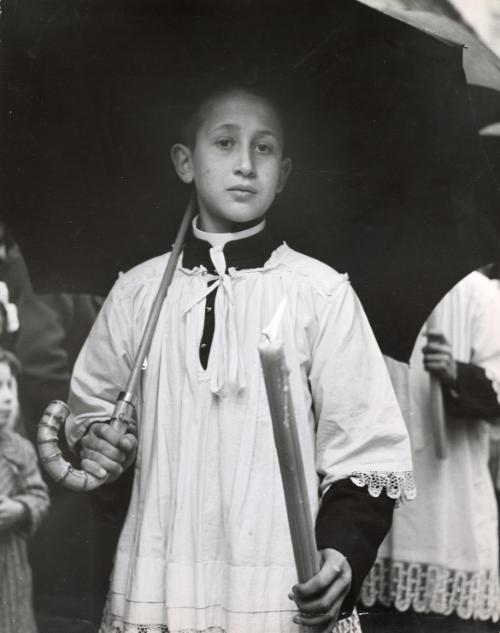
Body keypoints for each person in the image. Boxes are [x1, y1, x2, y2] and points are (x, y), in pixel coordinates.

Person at [65, 81, 414, 633]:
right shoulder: (138, 293)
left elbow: (365, 450)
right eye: (225, 143)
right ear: (185, 161)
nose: (246, 164)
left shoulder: (318, 293)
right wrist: (104, 448)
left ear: (285, 172)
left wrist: (342, 557)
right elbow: (93, 421)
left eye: (265, 147)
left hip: (277, 582)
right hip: (160, 579)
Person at [359, 271, 500, 632]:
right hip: (383, 520)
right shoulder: (365, 294)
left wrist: (456, 374)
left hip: (454, 517)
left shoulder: (480, 296)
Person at [0, 348, 50, 633]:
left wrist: (20, 509)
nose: (7, 397)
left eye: (10, 385)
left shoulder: (20, 450)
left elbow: (39, 496)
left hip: (10, 569)